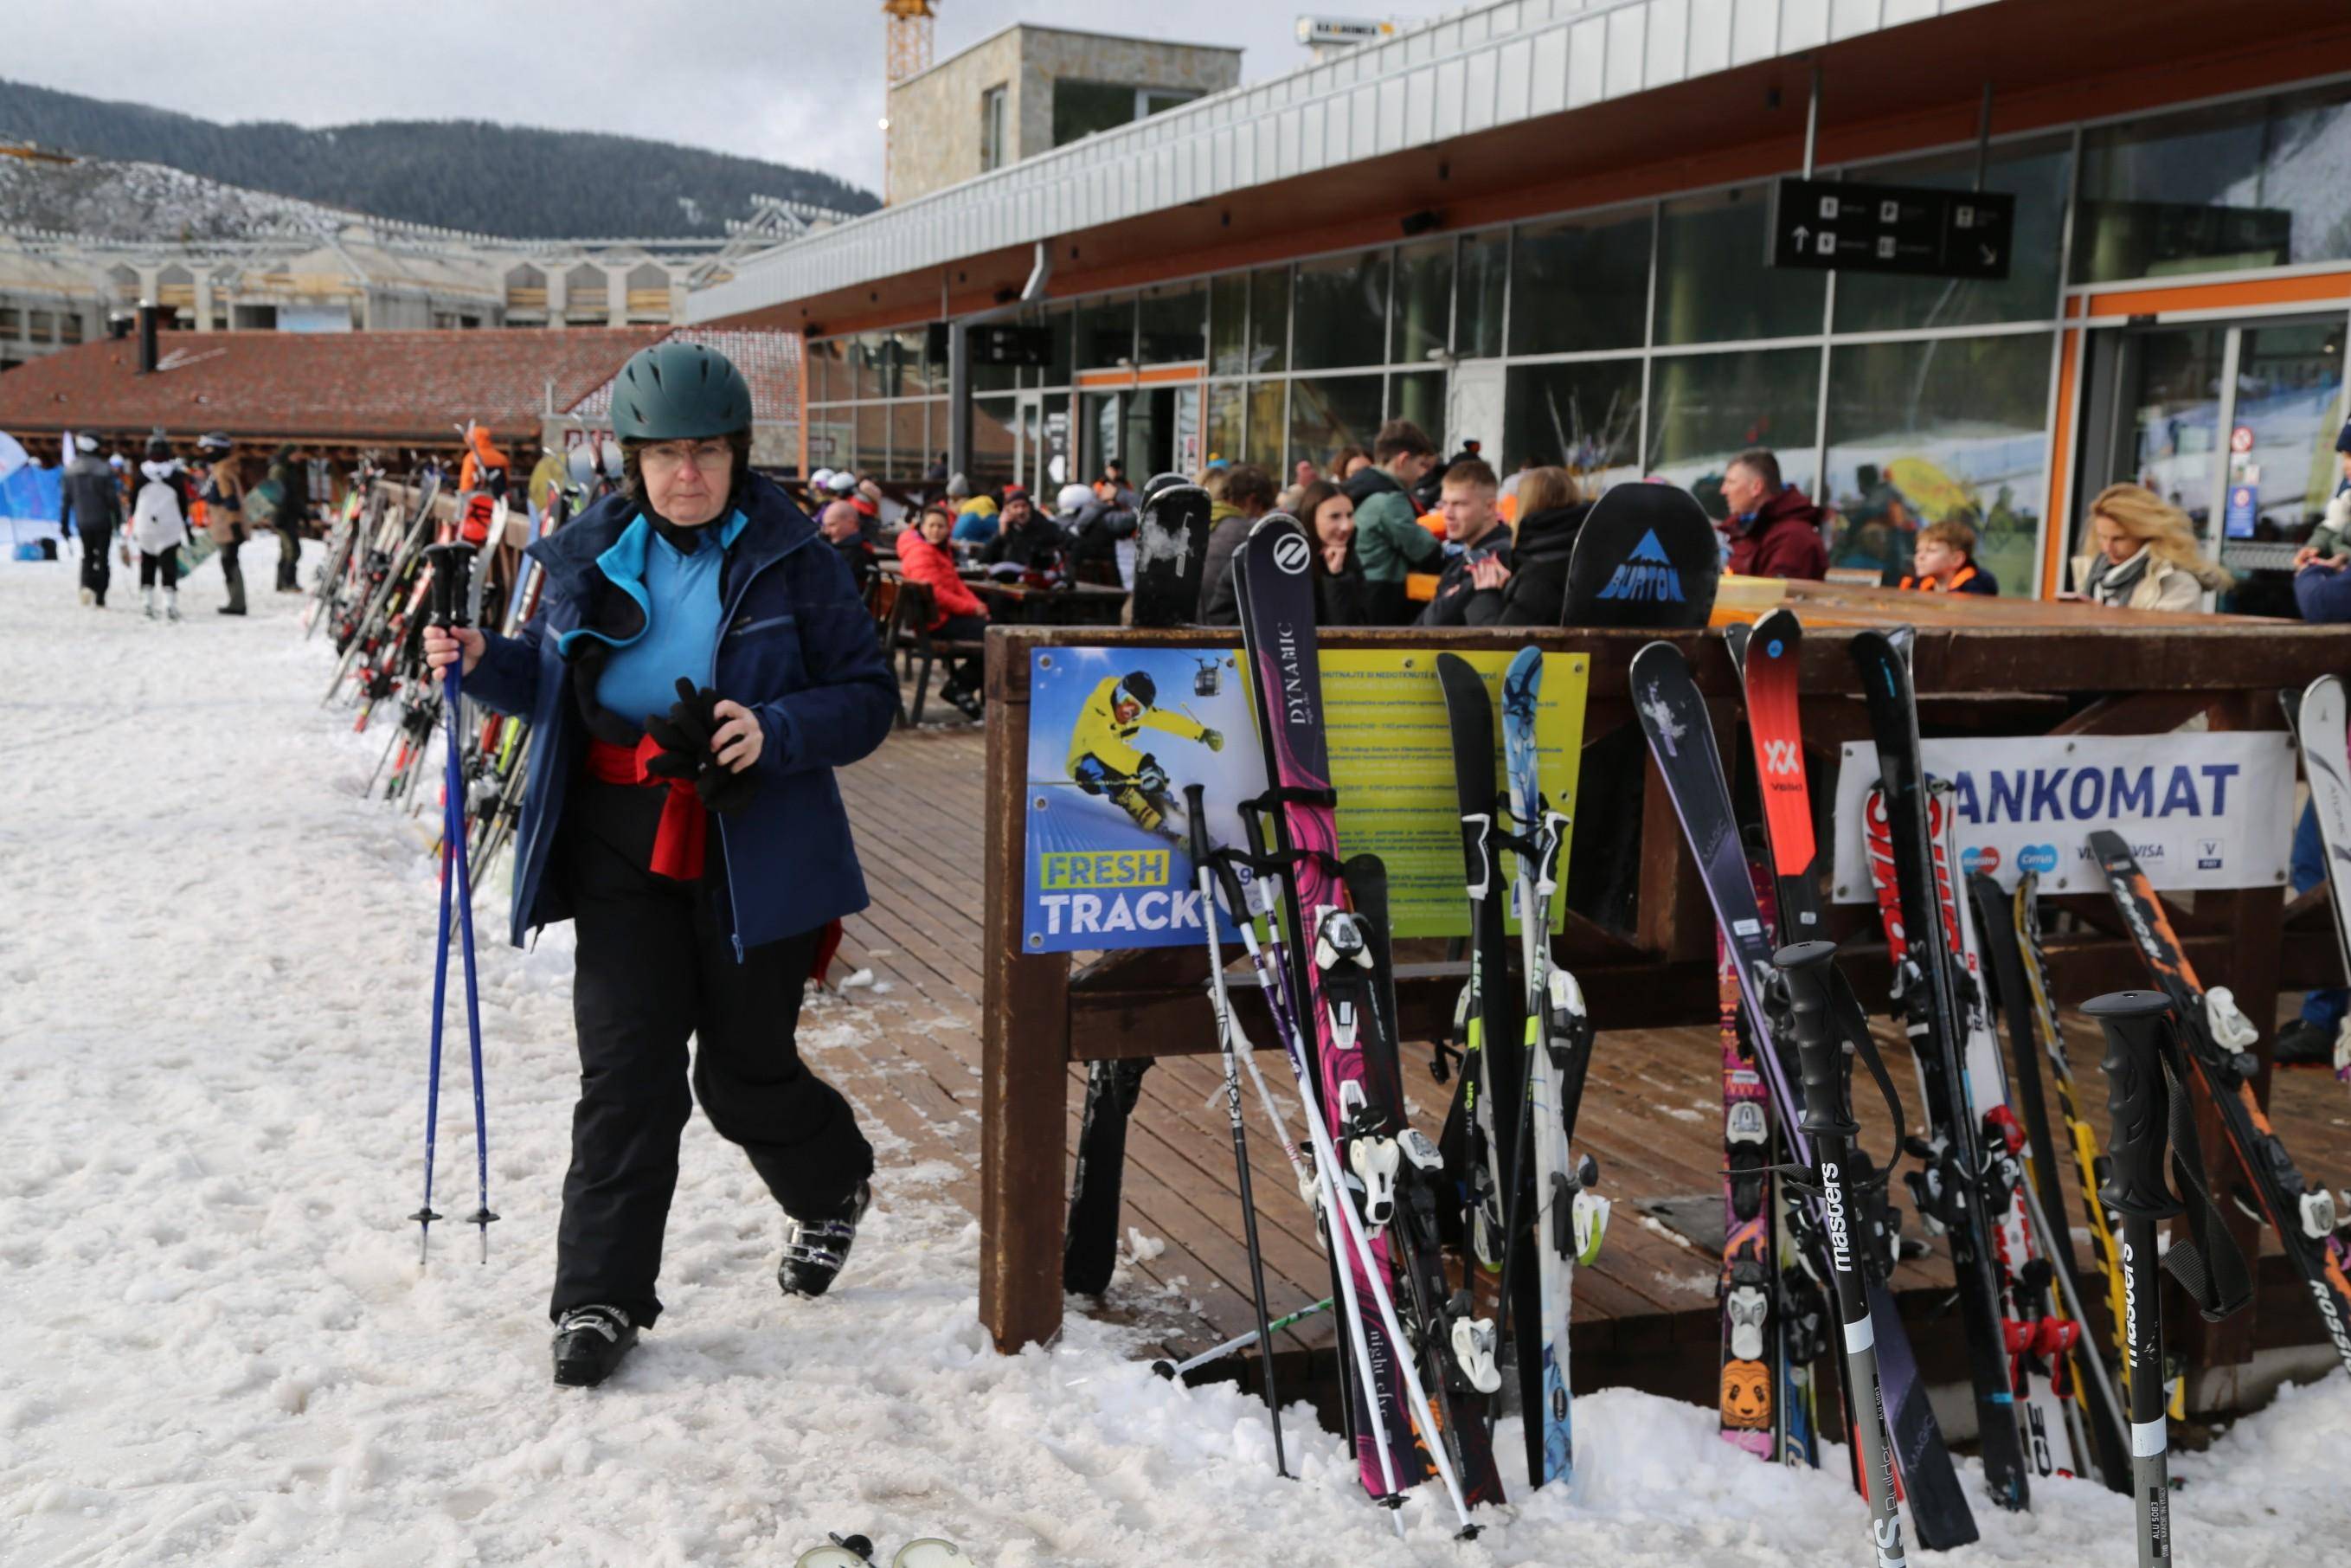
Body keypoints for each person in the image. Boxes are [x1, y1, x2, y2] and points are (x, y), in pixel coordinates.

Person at [418, 341, 896, 1389]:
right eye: (667, 454)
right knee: (627, 1075)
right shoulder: (586, 555)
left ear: (739, 455)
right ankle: (598, 1298)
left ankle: (830, 1186)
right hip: (618, 843)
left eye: (710, 453)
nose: (689, 474)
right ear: (633, 460)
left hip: (753, 841)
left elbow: (868, 697)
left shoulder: (797, 557)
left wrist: (774, 728)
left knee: (740, 1071)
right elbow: (549, 681)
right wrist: (481, 661)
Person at [1066, 670, 1223, 836]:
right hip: (1085, 768)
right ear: (1119, 692)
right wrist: (1142, 765)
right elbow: (1104, 746)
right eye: (1126, 702)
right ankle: (1142, 811)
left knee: (1148, 778)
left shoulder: (1132, 714)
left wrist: (1202, 733)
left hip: (1120, 760)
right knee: (1109, 773)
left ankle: (1169, 809)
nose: (1128, 713)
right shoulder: (1096, 711)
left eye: (1137, 711)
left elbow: (1166, 719)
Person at [2066, 484, 2229, 611]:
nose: (2108, 547)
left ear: (2145, 533)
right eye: (2102, 537)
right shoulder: (2093, 573)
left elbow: (2161, 646)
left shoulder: (2176, 583)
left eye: (2119, 539)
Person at [897, 501, 990, 719]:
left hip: (938, 617)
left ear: (948, 529)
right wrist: (971, 608)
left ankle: (960, 687)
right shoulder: (921, 553)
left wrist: (977, 605)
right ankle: (959, 688)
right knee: (995, 638)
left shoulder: (939, 550)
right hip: (934, 622)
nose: (936, 530)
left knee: (993, 631)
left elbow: (955, 584)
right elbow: (936, 593)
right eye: (931, 526)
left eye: (941, 526)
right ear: (922, 527)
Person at [1348, 420, 1446, 623]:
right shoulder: (1390, 500)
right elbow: (1423, 550)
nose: (1422, 473)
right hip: (1382, 594)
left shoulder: (1360, 487)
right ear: (1403, 460)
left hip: (1359, 588)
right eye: (1421, 465)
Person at [1474, 466, 1589, 626]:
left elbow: (1502, 641)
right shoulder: (1590, 553)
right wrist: (1511, 585)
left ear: (1524, 504)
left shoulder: (1539, 572)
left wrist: (1485, 594)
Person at [1416, 458, 1515, 627]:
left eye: (1459, 504)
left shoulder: (1494, 558)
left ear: (1490, 508)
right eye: (1444, 504)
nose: (1447, 514)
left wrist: (1452, 598)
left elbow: (1436, 621)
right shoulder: (1471, 555)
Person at [1718, 448, 1828, 580]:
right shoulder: (1735, 530)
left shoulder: (1795, 538)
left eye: (1731, 482)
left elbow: (1777, 596)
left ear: (1756, 487)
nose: (1723, 490)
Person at [1194, 463, 1279, 626]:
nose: (1262, 516)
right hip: (1217, 634)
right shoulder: (1249, 532)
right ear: (1251, 500)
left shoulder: (1197, 519)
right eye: (1263, 509)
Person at [126, 436, 195, 622]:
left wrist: (131, 523)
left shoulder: (140, 476)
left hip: (145, 526)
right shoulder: (175, 476)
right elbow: (183, 506)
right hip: (169, 526)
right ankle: (169, 604)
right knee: (168, 566)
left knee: (146, 563)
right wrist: (187, 530)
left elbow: (132, 503)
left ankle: (147, 603)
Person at [1291, 479, 1369, 626]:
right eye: (1334, 517)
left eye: (1350, 515)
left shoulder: (1349, 554)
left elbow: (1350, 629)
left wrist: (1337, 577)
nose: (1346, 526)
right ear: (1311, 518)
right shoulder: (1288, 558)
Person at [60, 433, 121, 608]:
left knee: (87, 555)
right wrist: (118, 518)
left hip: (82, 520)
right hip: (103, 521)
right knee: (103, 557)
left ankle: (86, 585)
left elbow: (65, 500)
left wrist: (64, 523)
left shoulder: (71, 470)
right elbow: (112, 499)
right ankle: (101, 594)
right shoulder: (104, 469)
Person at [196, 433, 248, 616]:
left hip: (226, 524)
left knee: (230, 562)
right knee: (229, 561)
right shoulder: (223, 468)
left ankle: (237, 602)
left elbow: (229, 499)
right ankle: (236, 600)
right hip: (223, 523)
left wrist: (235, 525)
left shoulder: (222, 471)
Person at [2292, 421, 2351, 572]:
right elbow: (2334, 523)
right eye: (2344, 457)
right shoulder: (2347, 487)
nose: (2345, 465)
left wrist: (2343, 557)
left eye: (2350, 456)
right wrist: (2314, 547)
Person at [1064, 474, 1136, 587]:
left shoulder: (1072, 519)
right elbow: (1144, 511)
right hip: (1113, 584)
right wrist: (1121, 494)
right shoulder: (1110, 519)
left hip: (1083, 583)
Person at [1896, 517, 1999, 595]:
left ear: (1956, 559)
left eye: (1931, 551)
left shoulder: (1975, 590)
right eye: (1918, 551)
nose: (1920, 557)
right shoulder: (1915, 584)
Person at [983, 487, 1063, 574]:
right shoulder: (1007, 527)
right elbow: (984, 558)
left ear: (1030, 507)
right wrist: (1001, 533)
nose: (1020, 511)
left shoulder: (1044, 525)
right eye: (1015, 507)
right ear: (1007, 510)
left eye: (1024, 506)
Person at [264, 443, 309, 593]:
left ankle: (282, 583)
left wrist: (302, 511)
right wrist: (277, 514)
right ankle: (288, 582)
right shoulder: (279, 470)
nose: (299, 457)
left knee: (287, 550)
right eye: (297, 453)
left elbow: (293, 494)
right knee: (293, 549)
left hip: (290, 514)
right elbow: (278, 495)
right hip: (282, 515)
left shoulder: (290, 469)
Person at [819, 498, 877, 594]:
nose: (827, 531)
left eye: (832, 525)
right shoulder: (828, 544)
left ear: (851, 523)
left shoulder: (860, 551)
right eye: (825, 526)